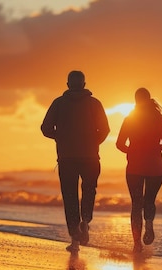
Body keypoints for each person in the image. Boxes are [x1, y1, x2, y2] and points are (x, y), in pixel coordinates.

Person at [41, 70, 110, 252]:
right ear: (84, 85)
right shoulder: (95, 104)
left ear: (68, 85)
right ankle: (85, 221)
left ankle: (75, 242)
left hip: (67, 158)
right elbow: (105, 129)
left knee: (70, 196)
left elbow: (45, 128)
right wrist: (94, 142)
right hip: (91, 157)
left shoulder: (59, 103)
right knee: (89, 191)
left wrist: (60, 138)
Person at [116, 87, 162, 254]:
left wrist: (132, 151)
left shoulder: (129, 119)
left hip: (134, 167)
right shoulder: (158, 119)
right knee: (149, 200)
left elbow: (119, 144)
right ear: (148, 99)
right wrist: (160, 147)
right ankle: (149, 222)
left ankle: (136, 244)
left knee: (136, 204)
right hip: (155, 167)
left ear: (135, 101)